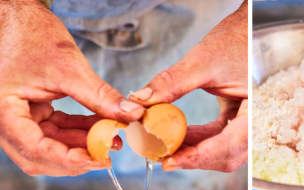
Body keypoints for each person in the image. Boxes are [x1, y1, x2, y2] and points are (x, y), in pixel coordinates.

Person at [0, 0, 247, 177]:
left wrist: (246, 28)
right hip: (23, 58)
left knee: (202, 162)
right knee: (37, 164)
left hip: (201, 39)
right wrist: (8, 14)